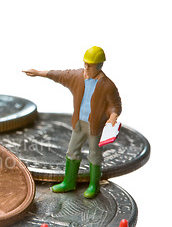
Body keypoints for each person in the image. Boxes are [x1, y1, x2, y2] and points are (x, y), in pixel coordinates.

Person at [23, 46, 122, 198]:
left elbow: (115, 105)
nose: (86, 67)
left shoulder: (107, 85)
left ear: (99, 65)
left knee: (95, 155)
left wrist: (113, 116)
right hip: (79, 124)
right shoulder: (78, 76)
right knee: (72, 151)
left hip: (95, 127)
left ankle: (94, 185)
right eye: (85, 63)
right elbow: (59, 75)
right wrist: (38, 73)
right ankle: (69, 182)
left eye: (90, 64)